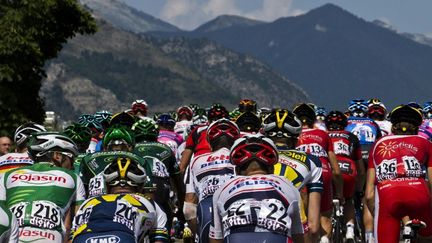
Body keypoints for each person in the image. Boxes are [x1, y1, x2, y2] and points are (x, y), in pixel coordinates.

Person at [209, 134, 304, 243]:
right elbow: (299, 234)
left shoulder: (222, 189)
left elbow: (216, 238)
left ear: (237, 170)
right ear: (272, 168)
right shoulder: (288, 186)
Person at [0, 132, 85, 243]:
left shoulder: (7, 175)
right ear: (57, 156)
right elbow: (74, 224)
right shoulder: (73, 177)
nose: (73, 165)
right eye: (71, 158)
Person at [366, 104, 432, 243]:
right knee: (427, 237)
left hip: (388, 195)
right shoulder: (425, 142)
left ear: (393, 127)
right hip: (418, 194)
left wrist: (377, 213)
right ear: (417, 128)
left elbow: (369, 194)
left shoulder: (378, 144)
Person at [71, 155, 169, 243]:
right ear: (140, 186)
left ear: (107, 185)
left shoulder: (87, 203)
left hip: (83, 238)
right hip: (122, 237)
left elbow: (70, 238)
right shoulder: (151, 203)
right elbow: (159, 240)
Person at [262, 108, 323, 242]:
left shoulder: (256, 160)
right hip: (289, 228)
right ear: (296, 139)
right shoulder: (313, 161)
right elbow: (313, 226)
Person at [293, 103, 343, 243]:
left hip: (301, 171)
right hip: (323, 170)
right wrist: (339, 193)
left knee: (306, 220)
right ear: (313, 120)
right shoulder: (323, 134)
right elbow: (336, 171)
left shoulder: (294, 135)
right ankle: (325, 239)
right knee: (324, 216)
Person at [184, 118, 240, 243]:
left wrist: (197, 233)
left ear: (209, 142)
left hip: (206, 216)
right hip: (237, 216)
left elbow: (188, 209)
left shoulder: (196, 160)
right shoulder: (241, 162)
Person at [325, 111, 365, 242]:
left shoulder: (323, 135)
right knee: (348, 200)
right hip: (348, 168)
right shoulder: (351, 136)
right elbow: (360, 169)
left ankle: (324, 236)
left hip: (329, 167)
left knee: (324, 201)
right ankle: (350, 230)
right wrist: (359, 191)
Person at [345, 99, 381, 242]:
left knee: (350, 195)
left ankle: (349, 224)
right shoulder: (373, 123)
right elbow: (378, 140)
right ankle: (369, 235)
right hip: (370, 153)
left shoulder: (347, 122)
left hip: (354, 155)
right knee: (368, 195)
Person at [179, 104, 230, 173]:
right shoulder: (233, 129)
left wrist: (181, 170)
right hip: (226, 162)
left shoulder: (198, 130)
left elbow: (187, 152)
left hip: (201, 164)